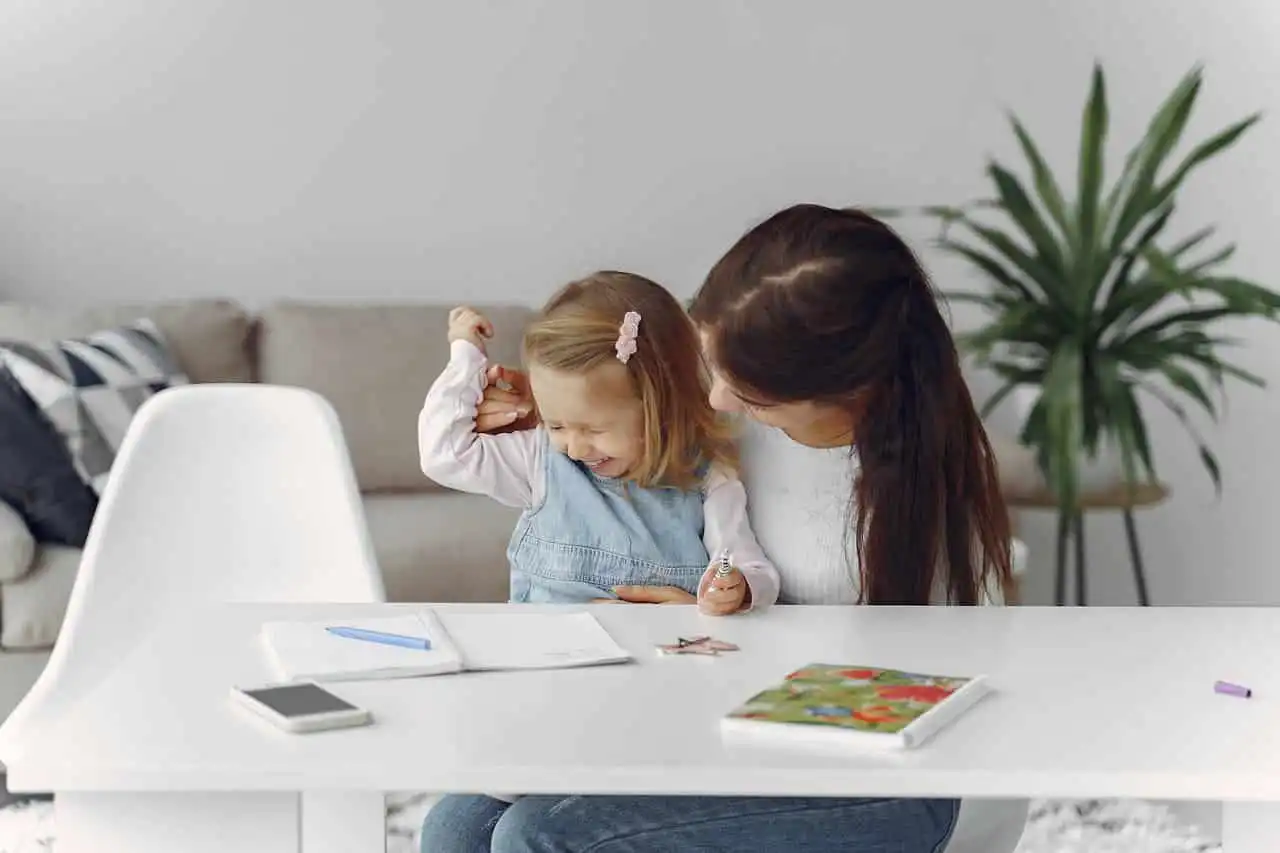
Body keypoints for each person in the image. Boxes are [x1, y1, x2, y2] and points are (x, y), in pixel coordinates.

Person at [419, 205, 1026, 853]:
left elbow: (904, 699)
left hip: (878, 768)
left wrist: (712, 631)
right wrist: (541, 407)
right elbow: (630, 371)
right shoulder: (731, 412)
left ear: (846, 389)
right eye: (716, 365)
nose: (718, 400)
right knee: (456, 826)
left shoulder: (916, 493)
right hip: (733, 717)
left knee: (539, 837)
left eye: (752, 391)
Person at [418, 270, 779, 614]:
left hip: (661, 659)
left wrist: (739, 589)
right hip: (549, 659)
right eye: (556, 424)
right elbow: (443, 454)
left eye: (593, 430)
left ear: (661, 406)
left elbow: (745, 563)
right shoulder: (538, 461)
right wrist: (465, 356)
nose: (574, 449)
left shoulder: (707, 476)